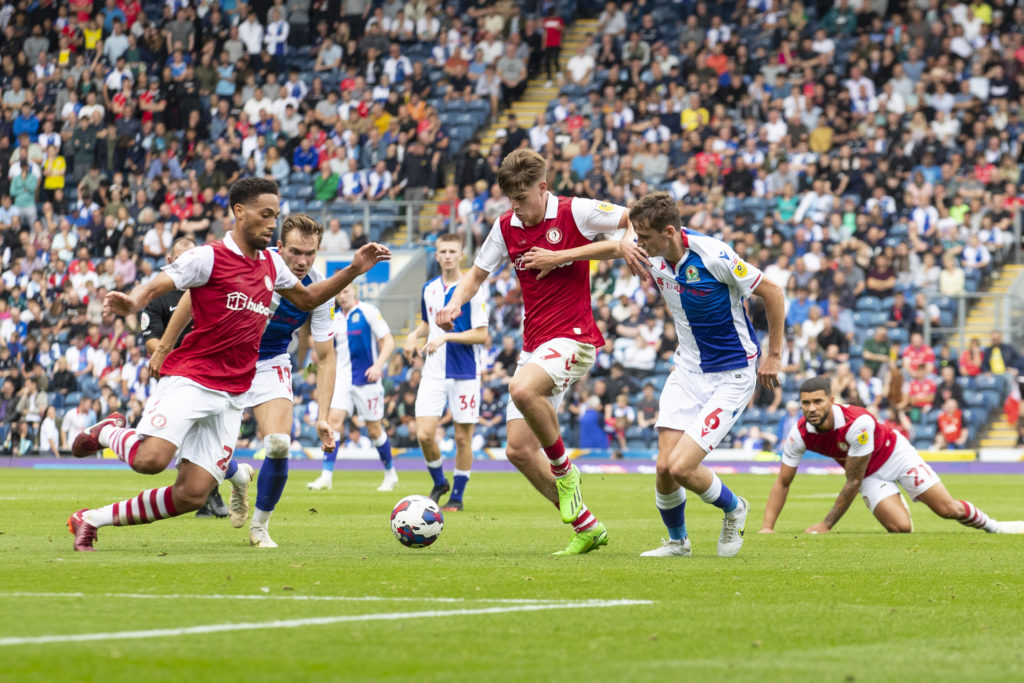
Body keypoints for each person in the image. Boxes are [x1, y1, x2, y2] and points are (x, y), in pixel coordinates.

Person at [67, 178, 390, 551]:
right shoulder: (208, 256)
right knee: (150, 460)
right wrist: (134, 302)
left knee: (192, 494)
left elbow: (308, 299)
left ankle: (90, 519)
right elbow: (162, 284)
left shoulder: (271, 264)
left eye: (275, 215)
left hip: (236, 389)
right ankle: (109, 431)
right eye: (265, 215)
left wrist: (353, 269)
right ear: (240, 212)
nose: (271, 223)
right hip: (194, 377)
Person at [541, 191, 785, 557]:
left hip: (731, 376)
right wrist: (559, 256)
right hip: (686, 369)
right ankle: (677, 542)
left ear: (668, 232)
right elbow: (610, 249)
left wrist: (775, 355)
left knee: (682, 466)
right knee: (663, 468)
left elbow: (773, 292)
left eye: (644, 237)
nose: (637, 244)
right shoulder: (650, 253)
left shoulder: (713, 255)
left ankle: (735, 508)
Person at [435, 148, 646, 555]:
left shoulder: (576, 211)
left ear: (542, 187)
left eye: (524, 199)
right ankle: (586, 525)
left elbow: (633, 221)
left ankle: (566, 473)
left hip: (575, 335)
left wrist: (562, 255)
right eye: (511, 201)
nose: (519, 209)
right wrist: (455, 302)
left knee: (521, 390)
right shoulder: (504, 226)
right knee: (518, 450)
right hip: (535, 343)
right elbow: (476, 275)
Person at [153, 214, 338, 548]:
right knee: (192, 451)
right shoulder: (247, 264)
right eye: (295, 251)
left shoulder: (320, 289)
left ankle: (260, 527)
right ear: (278, 246)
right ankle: (237, 474)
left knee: (279, 443)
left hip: (269, 362)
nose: (302, 260)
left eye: (310, 253)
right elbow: (190, 301)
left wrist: (324, 415)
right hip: (222, 359)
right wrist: (165, 348)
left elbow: (325, 356)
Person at [759, 376, 1024, 535]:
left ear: (831, 399)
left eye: (818, 401)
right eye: (806, 403)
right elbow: (783, 481)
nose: (811, 408)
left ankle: (995, 526)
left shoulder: (857, 422)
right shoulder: (799, 433)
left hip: (896, 455)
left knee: (948, 510)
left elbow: (852, 482)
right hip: (868, 474)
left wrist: (826, 524)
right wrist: (767, 528)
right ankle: (895, 498)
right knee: (901, 528)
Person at [138, 235, 231, 518]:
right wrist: (176, 355)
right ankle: (210, 494)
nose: (188, 261)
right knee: (173, 440)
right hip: (177, 374)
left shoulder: (214, 287)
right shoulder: (158, 298)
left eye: (194, 255)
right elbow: (151, 341)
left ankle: (212, 490)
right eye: (181, 257)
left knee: (210, 434)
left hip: (215, 372)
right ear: (170, 261)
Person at [403, 233, 490, 512]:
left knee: (463, 438)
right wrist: (414, 334)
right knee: (425, 434)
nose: (449, 255)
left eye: (453, 250)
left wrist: (447, 338)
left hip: (465, 372)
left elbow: (481, 335)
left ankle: (457, 497)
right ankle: (440, 482)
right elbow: (429, 324)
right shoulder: (429, 288)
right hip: (433, 371)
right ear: (437, 255)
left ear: (461, 255)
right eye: (443, 251)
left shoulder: (475, 288)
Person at [309, 283, 397, 492]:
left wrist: (378, 365)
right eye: (339, 291)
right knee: (333, 422)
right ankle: (326, 476)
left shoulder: (368, 311)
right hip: (342, 380)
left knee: (375, 430)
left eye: (346, 291)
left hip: (367, 379)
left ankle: (390, 474)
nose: (342, 295)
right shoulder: (336, 318)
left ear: (354, 291)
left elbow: (389, 341)